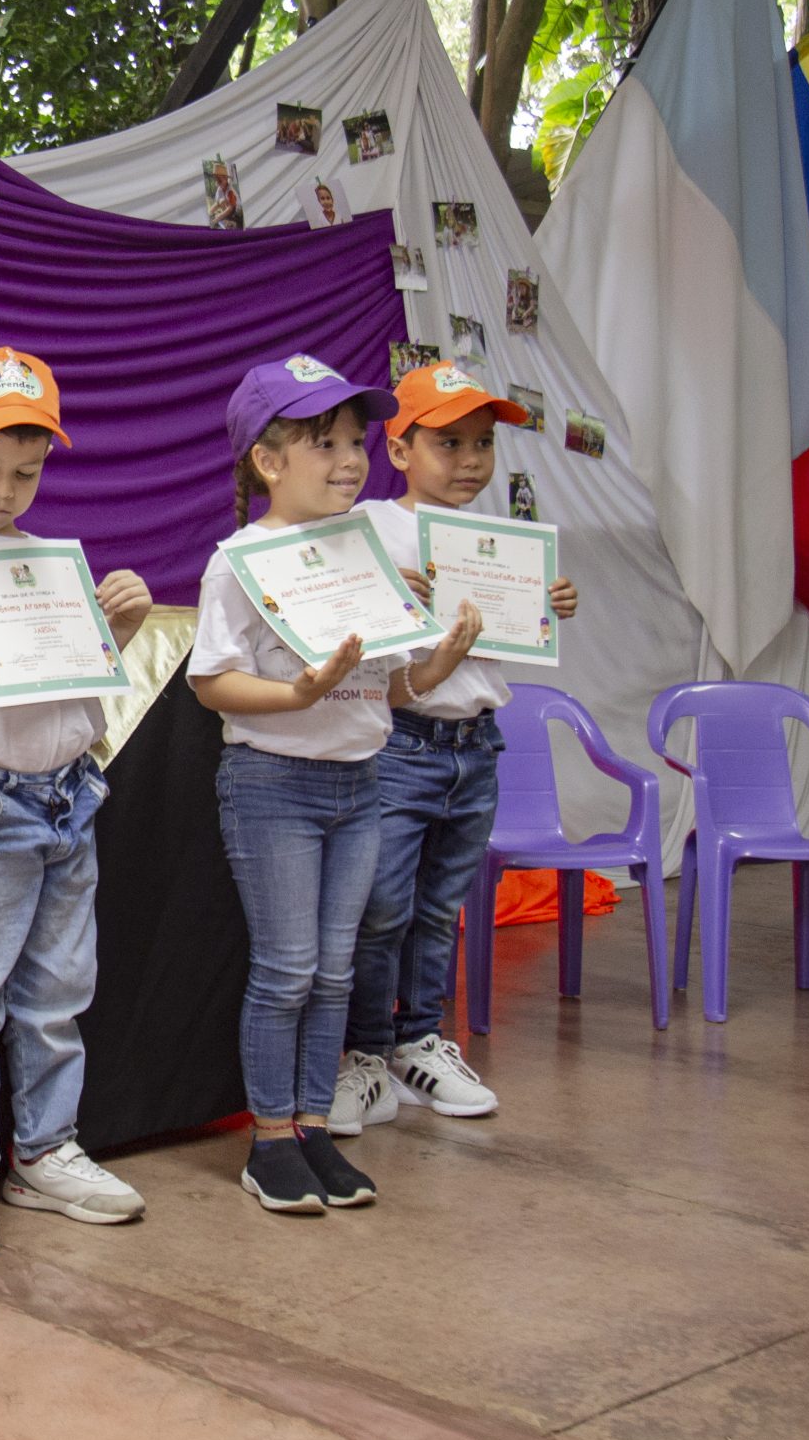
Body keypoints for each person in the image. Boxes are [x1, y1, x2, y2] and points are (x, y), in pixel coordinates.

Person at [188, 354, 482, 1216]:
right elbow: (210, 681)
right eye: (325, 443)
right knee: (286, 970)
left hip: (361, 782)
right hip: (273, 784)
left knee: (335, 972)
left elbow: (389, 687)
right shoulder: (240, 559)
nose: (351, 459)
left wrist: (438, 662)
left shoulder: (366, 551)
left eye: (356, 440)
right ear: (267, 461)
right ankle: (270, 1139)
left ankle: (315, 1125)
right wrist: (296, 694)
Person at [0, 348, 155, 1255]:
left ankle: (44, 1148)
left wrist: (115, 630)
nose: (5, 489)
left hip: (67, 796)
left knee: (57, 990)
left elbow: (76, 691)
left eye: (27, 470)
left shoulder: (49, 560)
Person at [330, 364, 578, 1136]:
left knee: (440, 908)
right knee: (381, 907)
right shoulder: (368, 525)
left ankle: (418, 1041)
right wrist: (378, 587)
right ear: (399, 450)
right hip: (399, 742)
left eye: (482, 443)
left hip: (476, 744)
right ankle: (364, 1054)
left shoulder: (497, 540)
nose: (470, 459)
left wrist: (546, 603)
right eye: (449, 442)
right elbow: (329, 614)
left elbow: (509, 635)